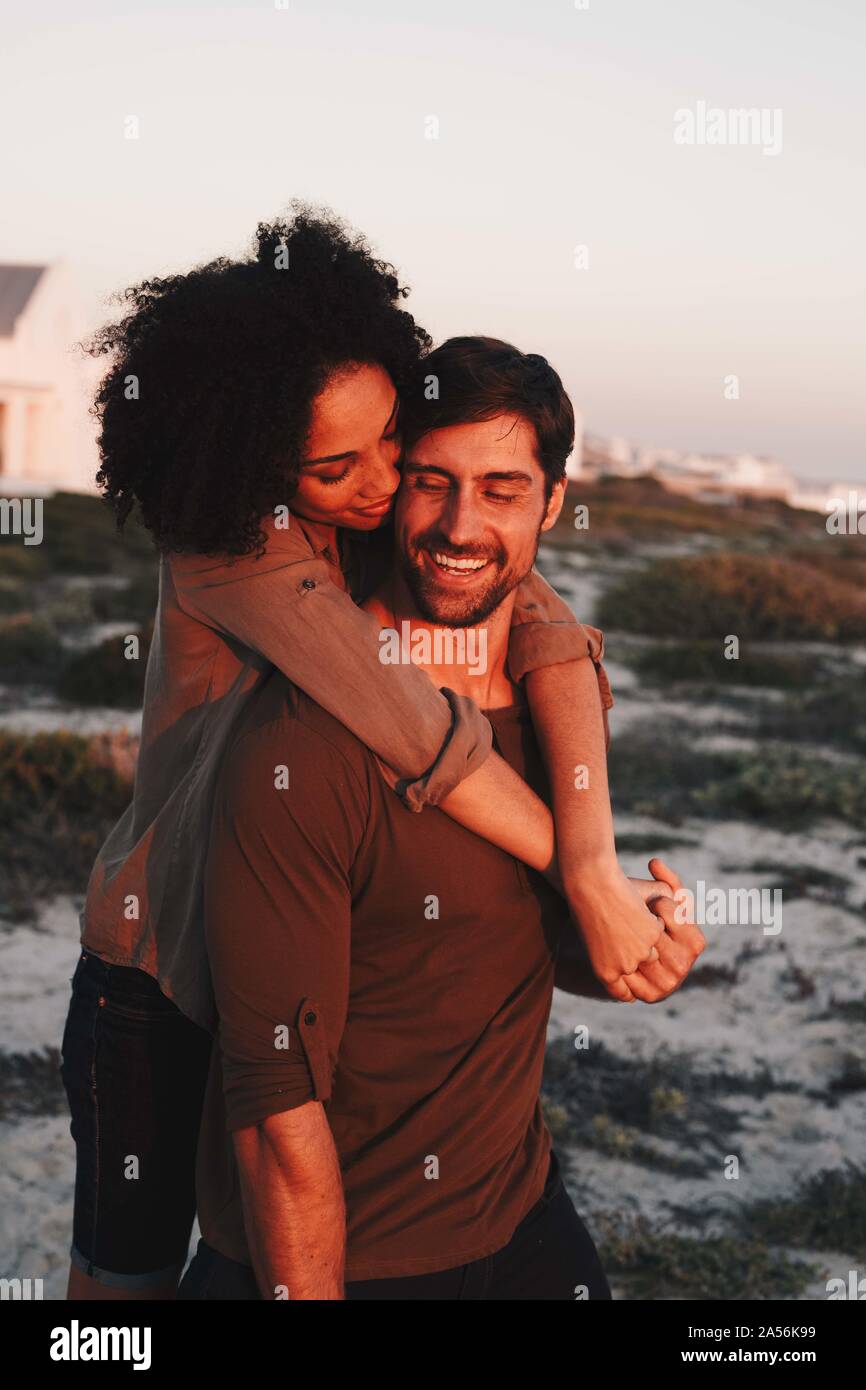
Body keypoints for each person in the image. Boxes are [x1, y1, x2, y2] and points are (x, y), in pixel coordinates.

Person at [60, 209, 664, 1301]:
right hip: (153, 979)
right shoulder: (231, 542)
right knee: (126, 1285)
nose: (384, 483)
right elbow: (411, 726)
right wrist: (580, 872)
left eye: (391, 438)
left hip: (265, 951)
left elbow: (538, 615)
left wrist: (590, 862)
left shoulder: (378, 499)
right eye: (336, 464)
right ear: (254, 457)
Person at [178, 336, 705, 1300]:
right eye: (433, 482)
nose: (462, 527)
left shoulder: (554, 706)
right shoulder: (303, 748)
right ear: (389, 490)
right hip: (349, 1261)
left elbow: (506, 942)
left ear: (553, 503)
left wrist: (621, 951)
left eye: (503, 490)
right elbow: (274, 1121)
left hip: (525, 1217)